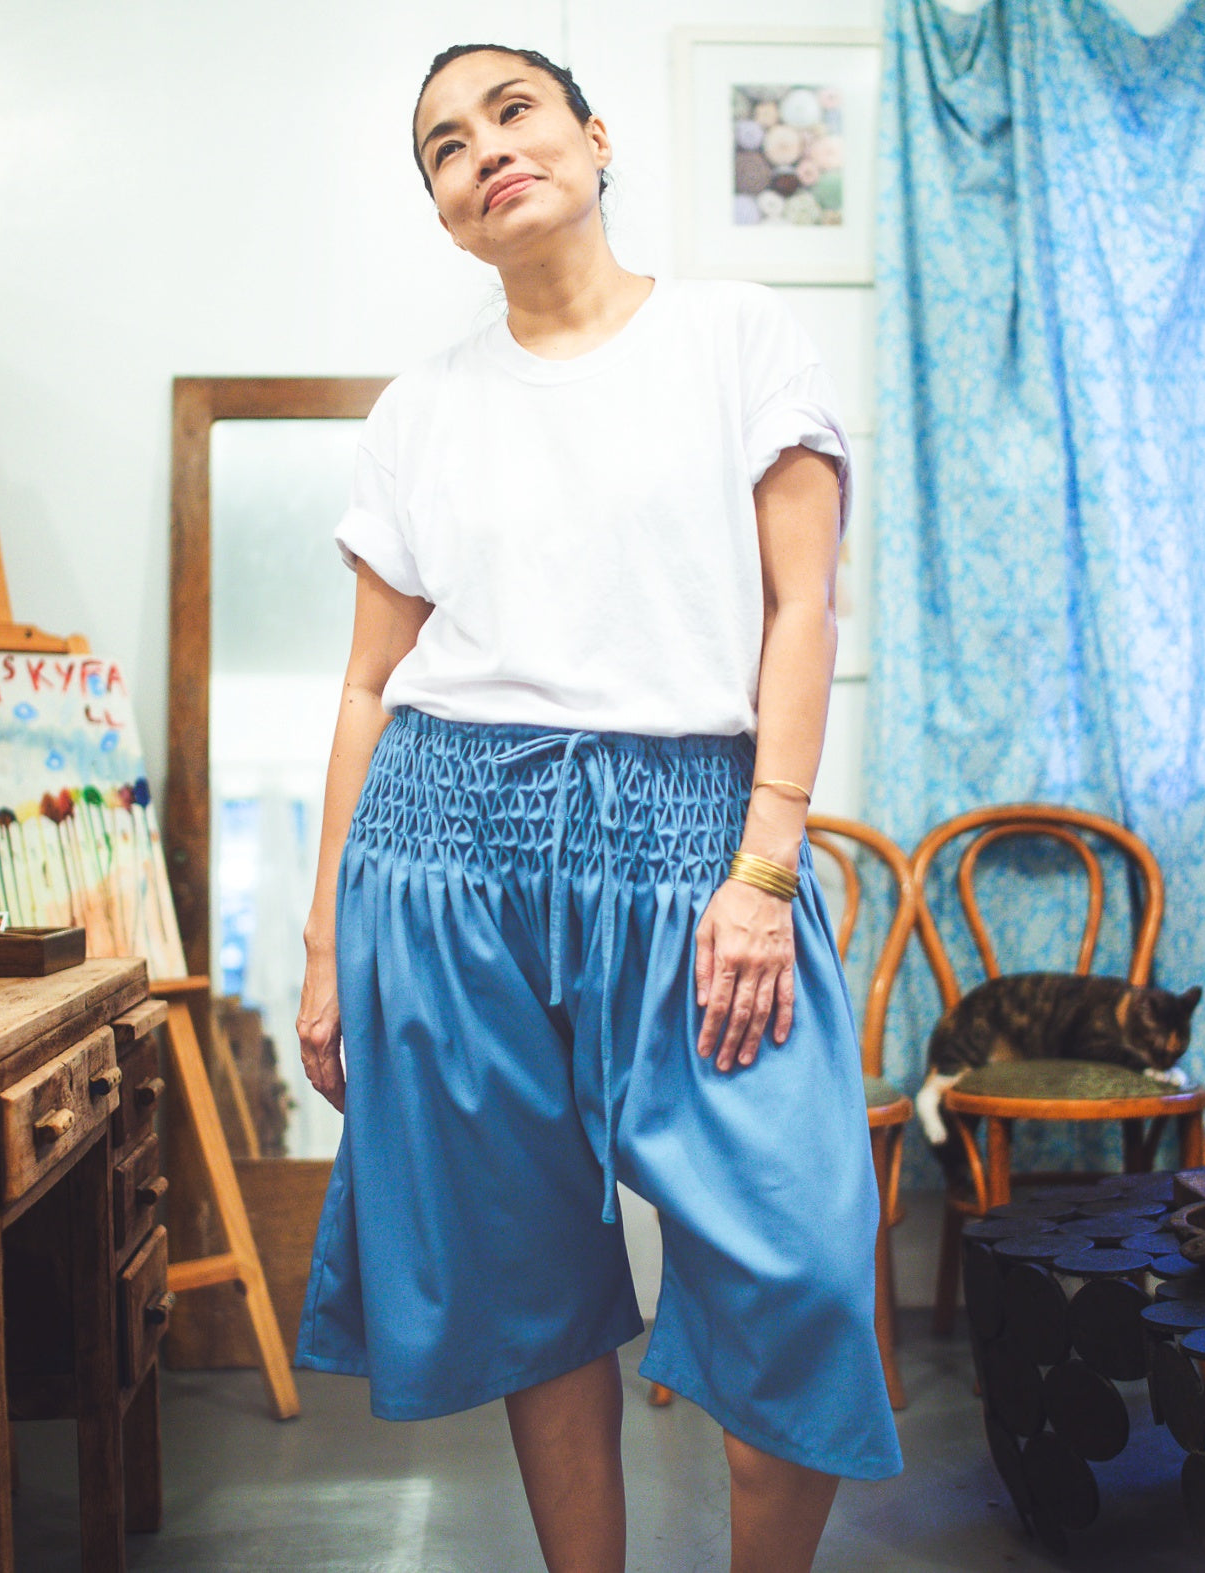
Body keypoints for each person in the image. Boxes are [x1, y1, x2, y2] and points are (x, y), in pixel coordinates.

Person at [293, 41, 902, 1573]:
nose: (484, 149)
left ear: (592, 135)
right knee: (527, 1284)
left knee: (798, 1265)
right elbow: (366, 685)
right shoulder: (420, 408)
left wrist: (765, 863)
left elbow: (803, 606)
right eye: (445, 145)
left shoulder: (731, 333)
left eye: (512, 111)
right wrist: (320, 948)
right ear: (441, 210)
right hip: (445, 852)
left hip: (694, 841)